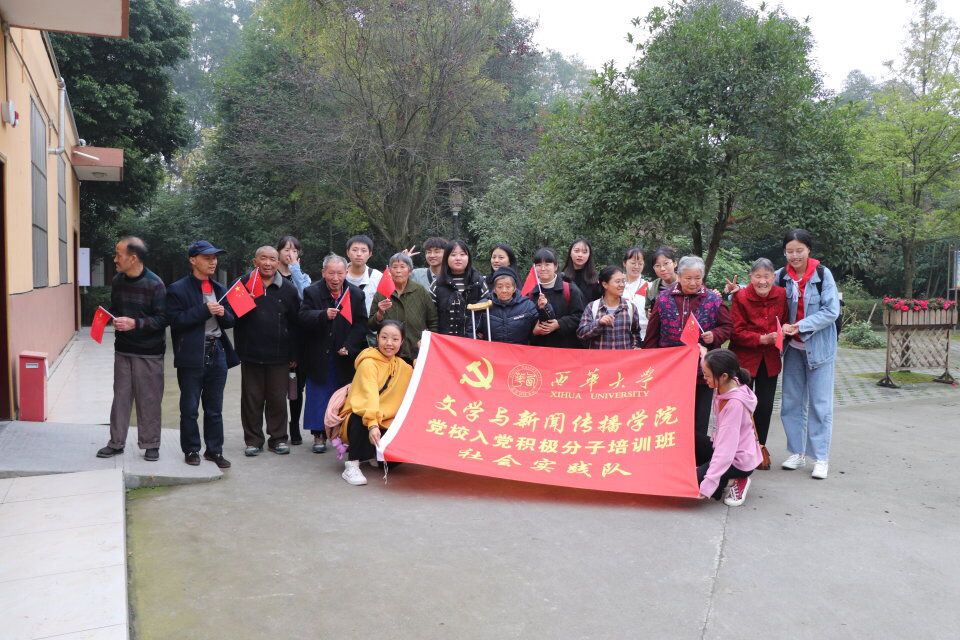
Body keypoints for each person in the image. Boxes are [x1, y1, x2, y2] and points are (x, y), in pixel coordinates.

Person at [643, 255, 732, 466]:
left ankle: (694, 463)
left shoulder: (713, 300)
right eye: (688, 278)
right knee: (671, 417)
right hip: (670, 372)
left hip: (703, 374)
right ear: (679, 276)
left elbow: (727, 327)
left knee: (699, 420)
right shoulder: (663, 299)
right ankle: (669, 459)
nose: (693, 283)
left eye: (697, 278)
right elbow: (652, 336)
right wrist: (649, 365)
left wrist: (714, 335)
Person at [166, 240, 239, 468]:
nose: (213, 262)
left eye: (214, 258)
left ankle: (214, 451)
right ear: (193, 260)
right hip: (191, 354)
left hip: (217, 352)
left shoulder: (219, 289)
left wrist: (223, 313)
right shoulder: (177, 289)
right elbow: (175, 321)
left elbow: (231, 320)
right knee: (189, 408)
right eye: (207, 258)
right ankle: (191, 449)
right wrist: (204, 310)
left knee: (214, 408)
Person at [96, 237, 167, 462]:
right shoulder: (118, 280)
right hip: (123, 350)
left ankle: (151, 444)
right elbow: (116, 308)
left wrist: (135, 323)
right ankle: (116, 443)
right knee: (120, 398)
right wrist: (110, 318)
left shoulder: (155, 284)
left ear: (133, 258)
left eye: (118, 255)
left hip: (149, 352)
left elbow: (163, 319)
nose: (115, 259)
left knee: (149, 399)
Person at [777, 229, 840, 479]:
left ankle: (821, 458)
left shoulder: (823, 275)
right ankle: (797, 452)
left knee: (820, 405)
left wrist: (800, 326)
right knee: (791, 403)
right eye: (790, 251)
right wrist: (736, 290)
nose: (794, 256)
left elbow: (831, 311)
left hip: (820, 350)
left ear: (808, 250)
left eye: (799, 250)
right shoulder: (781, 276)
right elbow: (761, 289)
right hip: (793, 350)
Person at [234, 247, 301, 457]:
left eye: (272, 259)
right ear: (255, 261)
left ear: (278, 262)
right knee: (251, 399)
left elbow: (296, 323)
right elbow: (232, 317)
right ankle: (253, 440)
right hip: (251, 353)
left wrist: (294, 354)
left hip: (279, 355)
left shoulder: (288, 289)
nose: (268, 263)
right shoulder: (243, 284)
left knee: (277, 399)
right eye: (263, 258)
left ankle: (278, 439)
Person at [300, 254, 369, 453]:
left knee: (343, 396)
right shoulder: (312, 292)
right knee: (318, 395)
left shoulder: (355, 294)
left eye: (340, 273)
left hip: (344, 355)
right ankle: (319, 434)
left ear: (346, 273)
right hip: (319, 353)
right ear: (323, 273)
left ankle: (342, 434)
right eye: (331, 273)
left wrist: (349, 345)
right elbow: (302, 317)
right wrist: (322, 315)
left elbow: (361, 324)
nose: (336, 278)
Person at [338, 321, 414, 486]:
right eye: (384, 337)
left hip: (385, 421)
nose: (389, 343)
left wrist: (424, 352)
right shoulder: (368, 363)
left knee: (396, 458)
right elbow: (369, 396)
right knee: (360, 417)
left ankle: (373, 455)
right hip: (362, 418)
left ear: (401, 341)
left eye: (395, 339)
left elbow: (421, 376)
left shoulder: (403, 367)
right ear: (377, 338)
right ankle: (352, 464)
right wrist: (372, 424)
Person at [729, 258, 788, 468]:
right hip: (744, 359)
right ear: (750, 277)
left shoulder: (781, 294)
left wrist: (784, 331)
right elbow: (735, 331)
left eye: (767, 276)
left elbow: (785, 321)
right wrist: (761, 339)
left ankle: (760, 447)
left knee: (765, 406)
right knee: (740, 406)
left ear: (773, 277)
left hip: (770, 360)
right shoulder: (741, 296)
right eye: (758, 276)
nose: (762, 281)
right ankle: (738, 451)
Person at [697, 349, 763, 506]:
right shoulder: (732, 382)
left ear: (723, 376)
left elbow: (725, 450)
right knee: (690, 439)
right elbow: (712, 363)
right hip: (724, 447)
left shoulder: (734, 404)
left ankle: (735, 480)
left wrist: (708, 484)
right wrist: (703, 353)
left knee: (694, 483)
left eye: (707, 375)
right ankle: (711, 473)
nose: (704, 378)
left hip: (738, 461)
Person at [369, 252, 438, 361]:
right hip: (388, 353)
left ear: (410, 271)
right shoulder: (382, 292)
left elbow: (433, 321)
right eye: (395, 267)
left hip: (415, 352)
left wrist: (428, 342)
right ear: (389, 270)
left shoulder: (420, 291)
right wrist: (380, 313)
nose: (398, 271)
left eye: (402, 267)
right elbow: (371, 326)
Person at [277, 235, 311, 445]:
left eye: (295, 251)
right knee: (276, 389)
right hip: (276, 338)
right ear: (278, 252)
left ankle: (294, 425)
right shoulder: (270, 276)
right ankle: (278, 429)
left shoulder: (302, 277)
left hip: (299, 340)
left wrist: (295, 269)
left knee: (296, 387)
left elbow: (307, 296)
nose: (291, 254)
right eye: (287, 250)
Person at [527, 248, 586, 349]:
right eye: (539, 265)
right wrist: (534, 331)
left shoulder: (569, 289)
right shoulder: (530, 292)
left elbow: (580, 316)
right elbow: (524, 321)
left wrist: (559, 324)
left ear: (555, 266)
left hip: (566, 348)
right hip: (539, 349)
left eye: (547, 264)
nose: (543, 268)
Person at [431, 240, 488, 337]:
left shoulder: (479, 282)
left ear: (468, 258)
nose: (458, 258)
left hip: (472, 339)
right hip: (445, 340)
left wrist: (481, 333)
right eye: (453, 255)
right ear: (446, 258)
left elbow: (487, 313)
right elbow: (432, 316)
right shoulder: (437, 284)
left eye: (462, 254)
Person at [576, 266, 642, 349]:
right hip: (600, 357)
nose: (622, 285)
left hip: (624, 357)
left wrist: (635, 346)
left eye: (623, 281)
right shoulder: (592, 307)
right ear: (605, 284)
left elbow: (635, 333)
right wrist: (598, 323)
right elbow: (581, 334)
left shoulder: (630, 308)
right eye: (618, 281)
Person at [479, 267, 548, 344]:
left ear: (514, 288)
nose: (504, 290)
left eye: (508, 287)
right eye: (499, 287)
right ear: (494, 289)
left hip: (519, 349)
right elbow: (473, 329)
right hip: (492, 350)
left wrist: (545, 308)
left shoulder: (527, 305)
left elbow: (543, 323)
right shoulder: (484, 305)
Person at [344, 234, 383, 315]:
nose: (359, 254)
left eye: (363, 250)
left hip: (369, 322)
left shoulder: (377, 277)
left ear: (370, 254)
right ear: (347, 253)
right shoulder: (338, 274)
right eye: (354, 250)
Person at [622, 246, 650, 339]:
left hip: (644, 336)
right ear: (624, 263)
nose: (637, 267)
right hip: (620, 336)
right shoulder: (616, 285)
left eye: (640, 263)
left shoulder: (649, 286)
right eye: (633, 263)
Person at [645, 246, 679, 315]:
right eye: (657, 266)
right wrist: (648, 314)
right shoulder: (652, 287)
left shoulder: (687, 283)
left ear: (675, 263)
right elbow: (647, 308)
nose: (662, 269)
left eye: (666, 263)